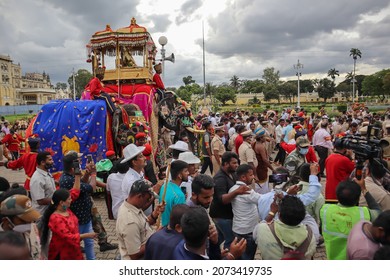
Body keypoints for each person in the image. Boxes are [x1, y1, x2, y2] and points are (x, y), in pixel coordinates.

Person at [320, 179, 382, 260]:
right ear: (358, 198)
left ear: (337, 196)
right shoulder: (364, 213)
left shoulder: (325, 210)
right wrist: (364, 189)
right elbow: (378, 212)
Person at [40, 186, 97, 260]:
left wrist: (77, 176)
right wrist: (87, 235)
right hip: (62, 253)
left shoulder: (66, 209)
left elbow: (75, 192)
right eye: (69, 199)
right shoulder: (56, 218)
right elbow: (68, 237)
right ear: (61, 202)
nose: (71, 200)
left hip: (74, 249)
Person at [59, 153, 97, 260]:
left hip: (84, 217)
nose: (81, 164)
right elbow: (91, 188)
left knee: (89, 242)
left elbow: (81, 184)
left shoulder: (71, 176)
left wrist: (87, 174)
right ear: (73, 168)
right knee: (74, 244)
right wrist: (93, 174)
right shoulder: (68, 180)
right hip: (77, 220)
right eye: (79, 163)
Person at [254, 195, 317, 260]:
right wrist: (294, 205)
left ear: (279, 214)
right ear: (303, 215)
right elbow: (309, 218)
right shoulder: (312, 234)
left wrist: (272, 212)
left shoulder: (262, 229)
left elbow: (257, 230)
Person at [116, 179, 164, 260]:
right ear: (139, 196)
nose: (148, 201)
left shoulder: (132, 206)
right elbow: (135, 255)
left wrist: (154, 214)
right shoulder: (130, 222)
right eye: (148, 199)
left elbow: (143, 225)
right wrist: (156, 236)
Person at [209, 152, 248, 249]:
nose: (237, 165)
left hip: (226, 215)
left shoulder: (232, 174)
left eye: (237, 163)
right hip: (222, 216)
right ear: (226, 164)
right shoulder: (220, 178)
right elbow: (222, 199)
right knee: (230, 239)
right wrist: (237, 192)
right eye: (234, 163)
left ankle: (212, 253)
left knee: (220, 237)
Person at [229, 164, 261, 260]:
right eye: (251, 175)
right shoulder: (246, 191)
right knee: (248, 257)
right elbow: (261, 199)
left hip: (238, 229)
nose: (253, 177)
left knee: (239, 257)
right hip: (248, 231)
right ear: (243, 177)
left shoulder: (233, 188)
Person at [0, 195, 42, 259]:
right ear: (6, 220)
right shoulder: (2, 244)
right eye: (22, 220)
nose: (29, 223)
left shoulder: (33, 228)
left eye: (30, 219)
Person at [324, 134, 355, 202]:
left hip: (329, 191)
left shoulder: (329, 157)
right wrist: (351, 157)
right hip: (340, 192)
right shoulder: (344, 160)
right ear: (345, 148)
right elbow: (354, 169)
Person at [159, 160, 189, 227]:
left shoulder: (164, 186)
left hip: (165, 227)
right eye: (186, 171)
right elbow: (181, 219)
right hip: (173, 230)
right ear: (179, 175)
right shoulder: (179, 195)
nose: (188, 173)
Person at [29, 151, 56, 215]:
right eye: (50, 160)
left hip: (49, 211)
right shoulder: (37, 179)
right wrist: (58, 199)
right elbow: (40, 201)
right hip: (41, 214)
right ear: (42, 162)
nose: (52, 161)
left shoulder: (46, 172)